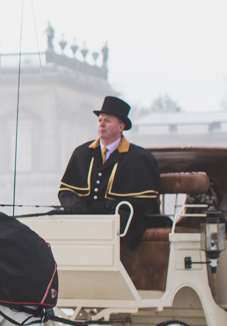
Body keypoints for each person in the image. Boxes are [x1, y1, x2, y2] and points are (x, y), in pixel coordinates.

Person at [57, 96, 161, 250]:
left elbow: (145, 201)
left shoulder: (139, 158)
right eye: (100, 120)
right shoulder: (81, 153)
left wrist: (107, 206)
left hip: (120, 221)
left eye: (108, 120)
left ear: (121, 127)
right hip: (83, 218)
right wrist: (78, 208)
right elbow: (66, 192)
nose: (102, 124)